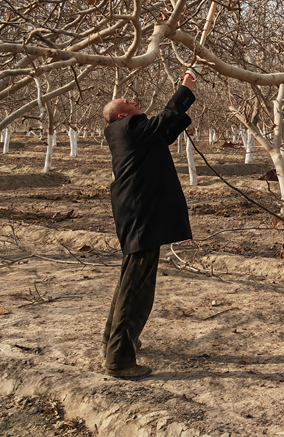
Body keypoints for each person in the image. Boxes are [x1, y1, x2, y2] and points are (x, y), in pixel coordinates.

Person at [100, 66, 200, 380]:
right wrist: (185, 88)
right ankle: (119, 359)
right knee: (135, 288)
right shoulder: (129, 127)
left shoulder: (129, 133)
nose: (133, 102)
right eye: (127, 102)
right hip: (142, 214)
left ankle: (113, 341)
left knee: (130, 280)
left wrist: (180, 119)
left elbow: (163, 131)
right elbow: (163, 120)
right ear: (121, 116)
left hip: (136, 213)